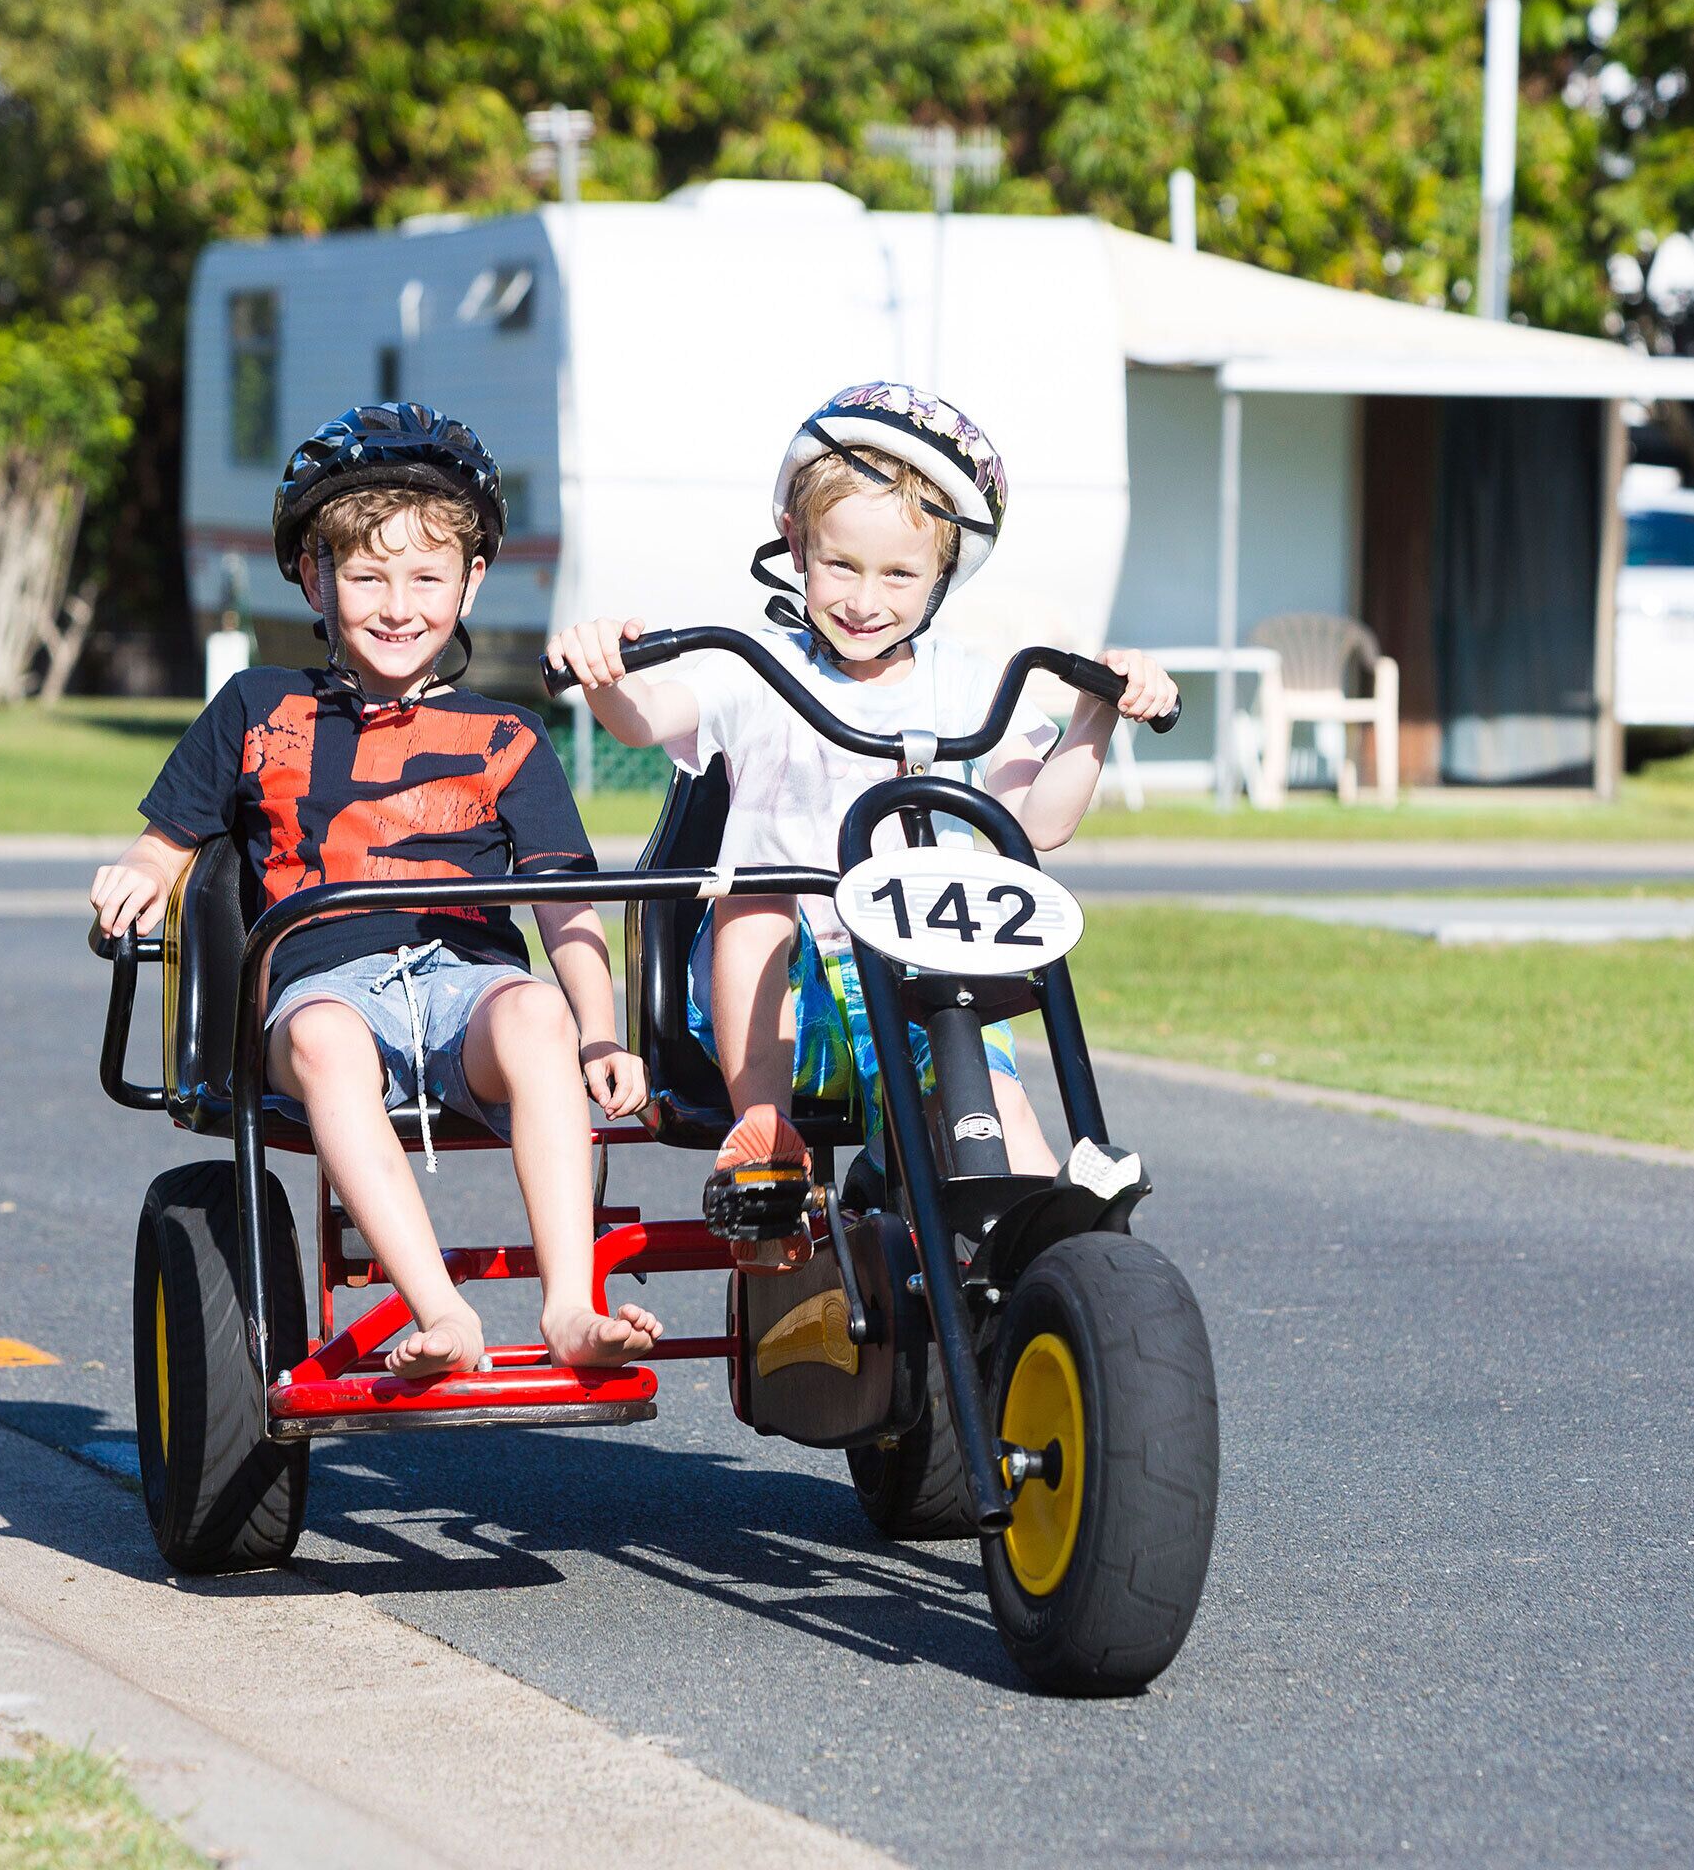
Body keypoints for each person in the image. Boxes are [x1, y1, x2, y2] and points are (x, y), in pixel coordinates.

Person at [91, 403, 660, 1378]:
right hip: (321, 989)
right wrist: (137, 876)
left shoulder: (506, 737)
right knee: (323, 1037)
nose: (399, 606)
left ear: (472, 581)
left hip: (466, 985)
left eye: (427, 578)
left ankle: (571, 1305)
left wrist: (598, 1031)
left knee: (533, 1016)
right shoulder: (258, 708)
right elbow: (167, 842)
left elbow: (566, 907)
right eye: (367, 576)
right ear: (316, 578)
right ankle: (442, 1316)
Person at [545, 381, 1177, 1238]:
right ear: (797, 546)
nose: (864, 598)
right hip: (783, 999)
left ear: (942, 576)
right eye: (842, 565)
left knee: (1007, 1126)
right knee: (759, 892)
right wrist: (606, 675)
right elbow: (650, 717)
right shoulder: (758, 666)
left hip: (922, 979)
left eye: (899, 574)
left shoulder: (967, 683)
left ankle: (1039, 1261)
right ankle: (762, 1134)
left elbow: (1036, 823)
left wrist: (1098, 711)